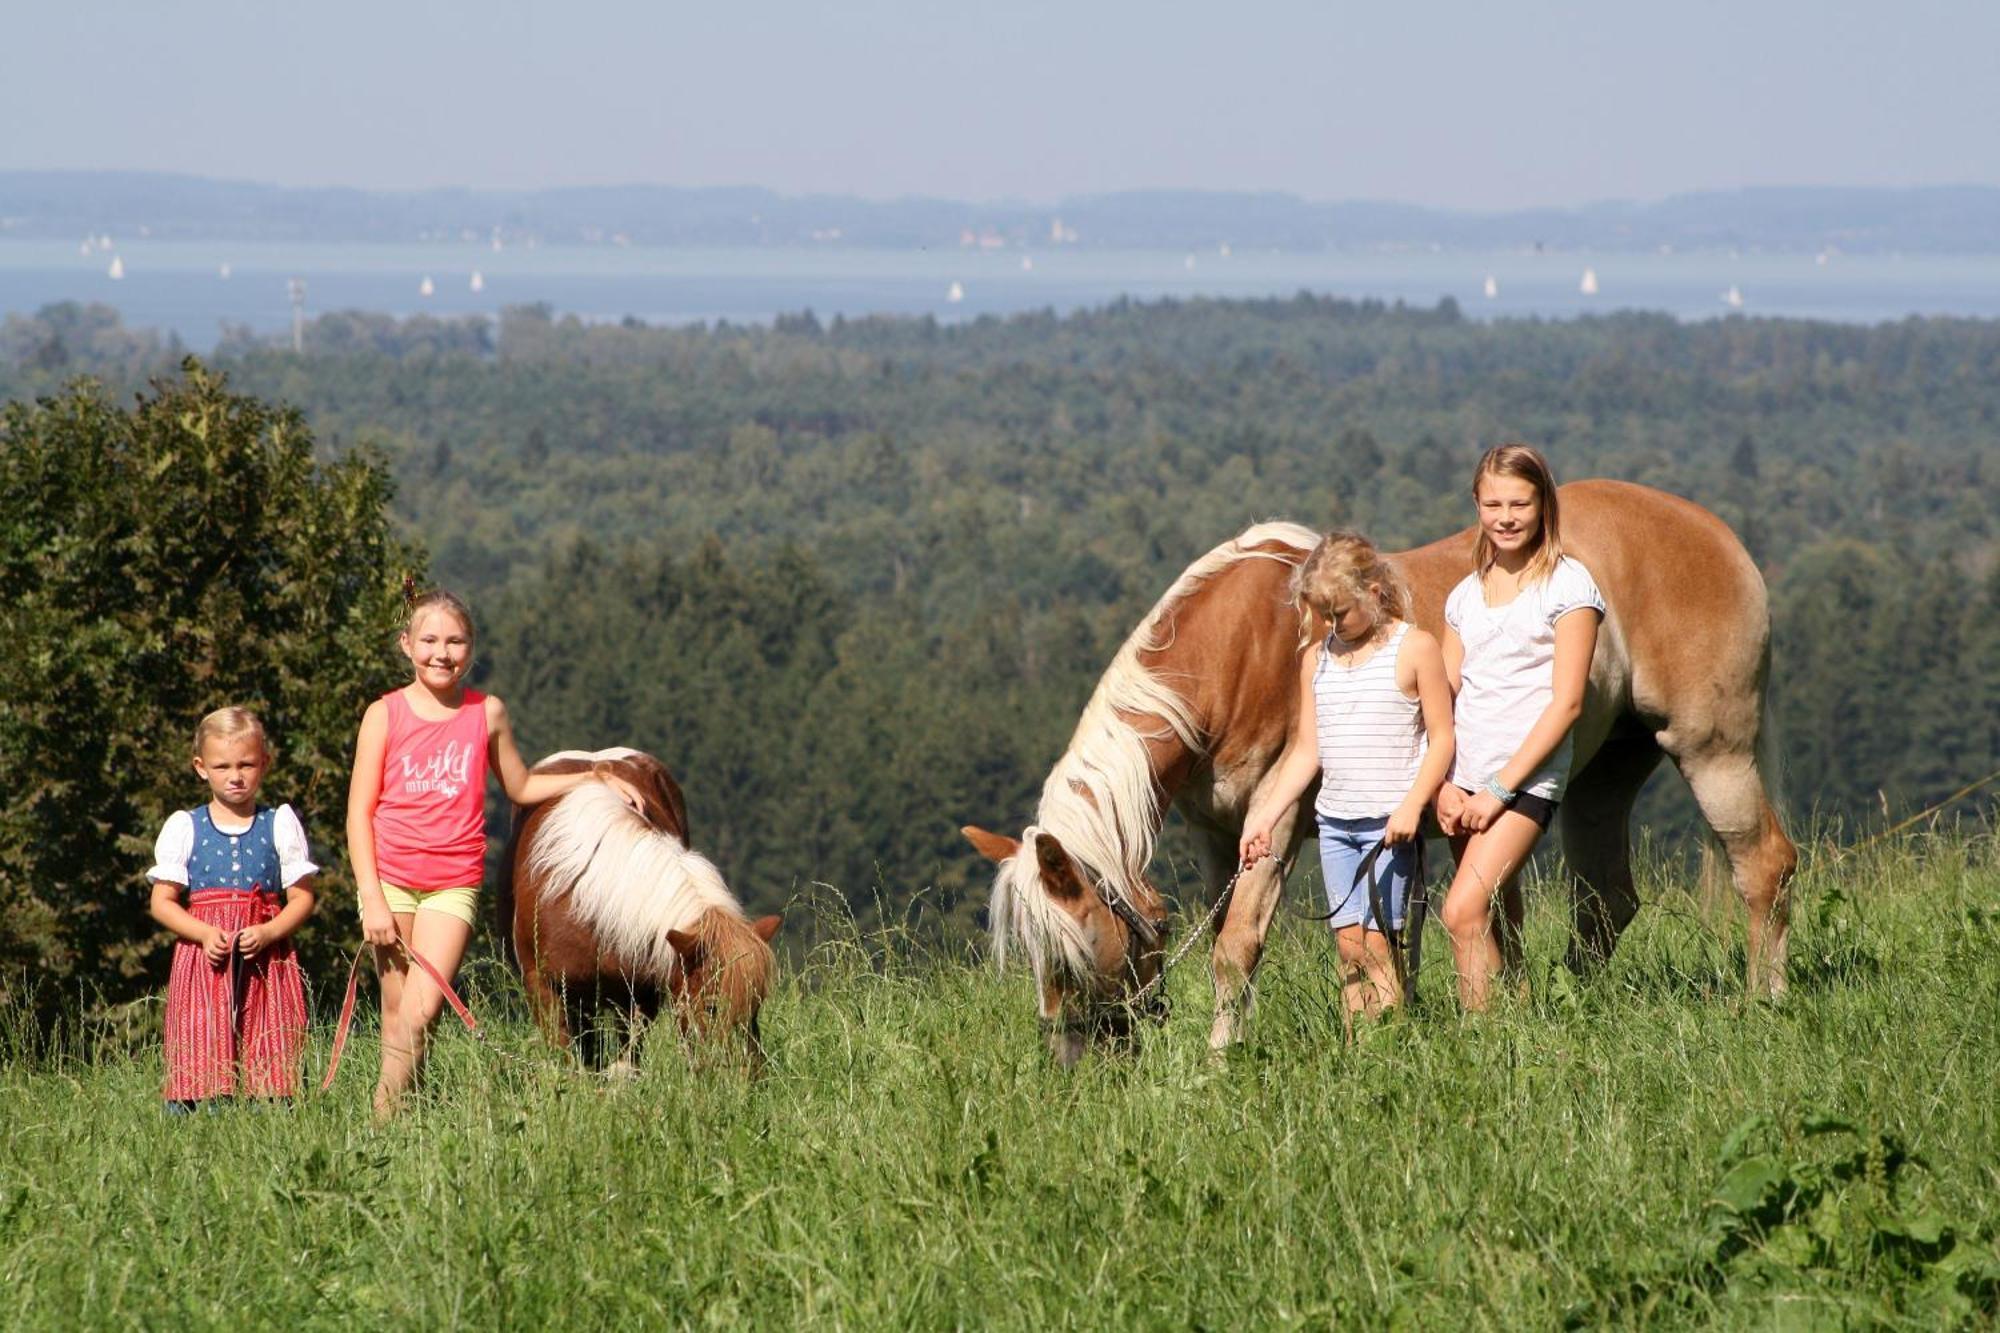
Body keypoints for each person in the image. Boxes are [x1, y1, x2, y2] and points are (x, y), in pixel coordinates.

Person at [347, 588, 646, 1118]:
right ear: (406, 645)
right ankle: (409, 1120)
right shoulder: (383, 715)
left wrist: (597, 778)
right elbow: (358, 813)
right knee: (399, 1014)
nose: (443, 653)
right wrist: (370, 896)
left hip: (452, 882)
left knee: (421, 1010)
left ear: (472, 648)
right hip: (389, 879)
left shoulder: (486, 714)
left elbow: (522, 785)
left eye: (456, 641)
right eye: (430, 640)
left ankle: (379, 1121)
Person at [1240, 532, 1454, 1022]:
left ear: (1374, 594)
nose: (1328, 626)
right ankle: (1357, 1055)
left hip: (1389, 826)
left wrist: (1410, 806)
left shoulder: (1415, 648)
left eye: (1338, 613)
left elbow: (1442, 739)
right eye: (1321, 615)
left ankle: (1390, 1051)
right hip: (1336, 828)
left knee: (1382, 947)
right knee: (1349, 949)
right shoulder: (1316, 661)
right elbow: (1306, 752)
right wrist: (1265, 819)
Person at [1435, 444, 1605, 1010]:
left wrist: (1501, 788)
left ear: (1543, 505)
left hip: (1523, 782)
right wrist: (1442, 781)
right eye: (1492, 504)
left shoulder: (1569, 587)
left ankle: (1478, 1052)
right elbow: (1447, 694)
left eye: (1520, 504)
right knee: (1499, 919)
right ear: (1477, 506)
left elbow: (1568, 704)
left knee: (1461, 911)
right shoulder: (1465, 595)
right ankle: (1519, 1025)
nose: (1505, 517)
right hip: (1465, 781)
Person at [147, 707, 317, 1110]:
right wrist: (205, 933)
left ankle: (272, 1119)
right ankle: (197, 1121)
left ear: (264, 764)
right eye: (222, 766)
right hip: (206, 960)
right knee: (201, 1037)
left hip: (266, 958)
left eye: (246, 764)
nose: (235, 776)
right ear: (201, 768)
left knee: (270, 1036)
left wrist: (272, 931)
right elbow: (162, 902)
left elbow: (303, 897)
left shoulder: (279, 823)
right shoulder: (185, 826)